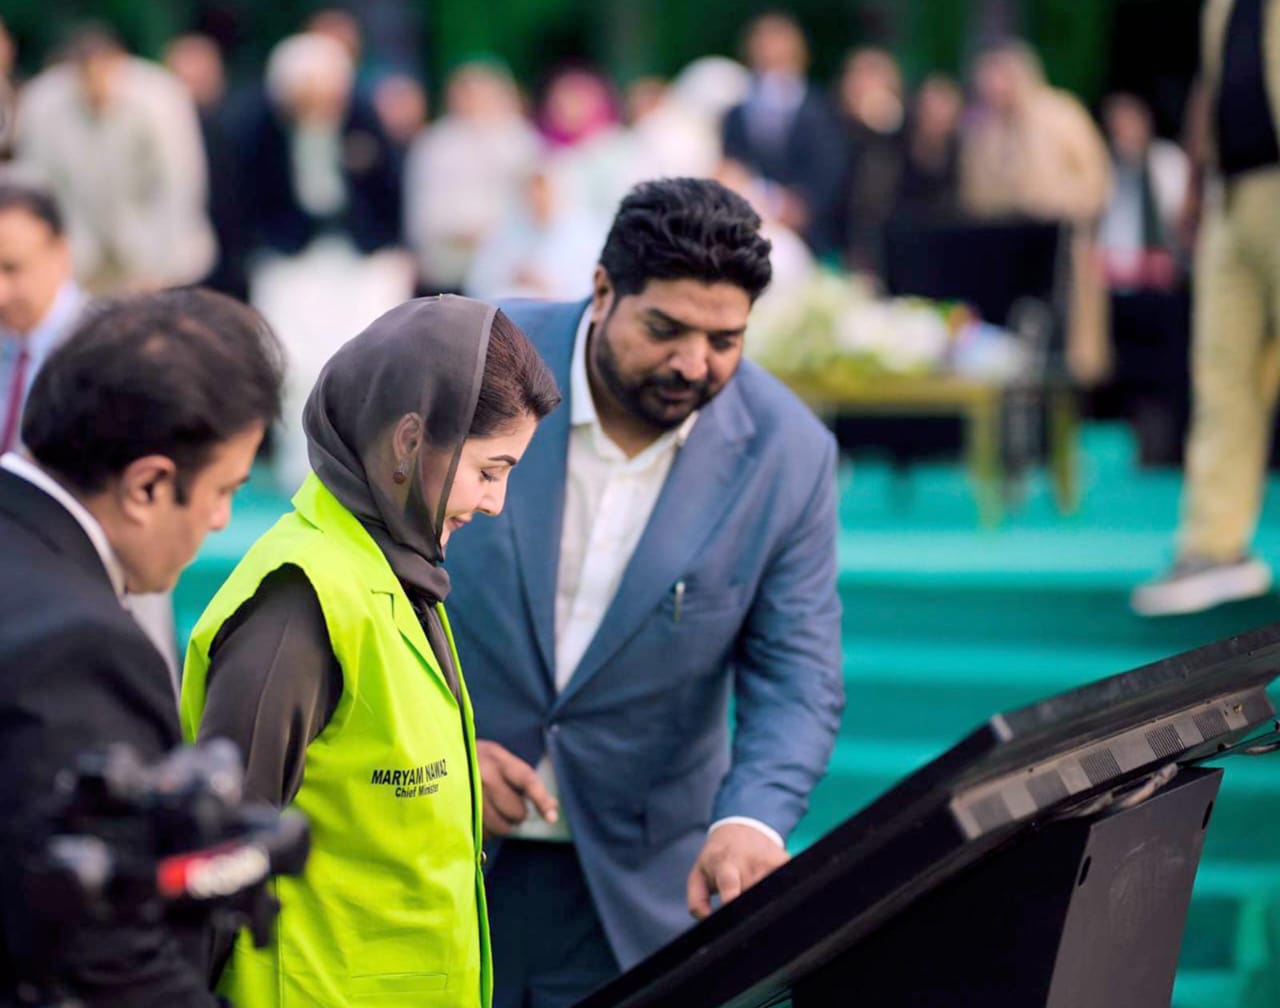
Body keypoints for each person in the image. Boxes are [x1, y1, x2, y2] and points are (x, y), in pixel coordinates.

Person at [445, 178, 845, 1006]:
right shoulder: (470, 359)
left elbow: (798, 674)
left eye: (725, 340)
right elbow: (360, 578)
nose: (693, 363)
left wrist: (751, 820)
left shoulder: (790, 453)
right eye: (665, 329)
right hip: (433, 855)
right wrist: (433, 754)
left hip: (637, 892)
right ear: (602, 291)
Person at [181, 296, 561, 1007]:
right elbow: (214, 864)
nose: (496, 502)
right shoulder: (302, 601)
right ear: (410, 440)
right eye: (490, 470)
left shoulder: (392, 573)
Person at [0, 287, 284, 1004]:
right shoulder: (82, 647)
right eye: (223, 490)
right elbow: (101, 952)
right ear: (149, 485)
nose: (221, 521)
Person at [1132, 0, 1280, 616]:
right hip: (1233, 192)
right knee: (1221, 375)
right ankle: (1215, 548)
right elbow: (1212, 84)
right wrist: (1195, 186)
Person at [0, 178, 179, 680]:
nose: (1, 291)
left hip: (100, 592)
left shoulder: (118, 348)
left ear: (61, 254)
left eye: (12, 268)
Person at [14, 25, 215, 294]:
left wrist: (160, 264)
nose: (96, 86)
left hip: (155, 244)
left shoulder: (161, 97)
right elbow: (35, 183)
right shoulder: (43, 102)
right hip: (79, 250)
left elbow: (179, 182)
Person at [721, 12, 847, 258]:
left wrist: (802, 206)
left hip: (813, 236)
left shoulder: (822, 108)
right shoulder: (737, 113)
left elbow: (831, 170)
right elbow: (731, 165)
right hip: (750, 231)